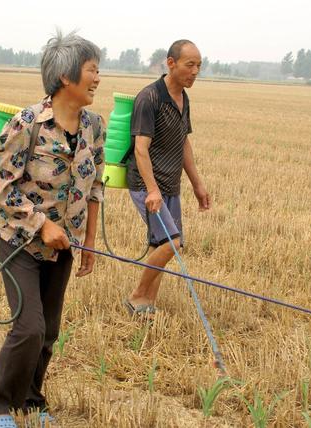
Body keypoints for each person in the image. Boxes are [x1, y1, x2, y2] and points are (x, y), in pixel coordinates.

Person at [0, 30, 104, 428]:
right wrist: (42, 224)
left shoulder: (94, 126)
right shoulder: (28, 123)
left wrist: (88, 243)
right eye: (92, 69)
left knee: (49, 331)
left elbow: (95, 187)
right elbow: (0, 187)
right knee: (30, 326)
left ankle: (32, 402)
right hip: (20, 243)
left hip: (65, 246)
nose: (98, 78)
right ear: (66, 77)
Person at [124, 40, 210, 315]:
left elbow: (183, 142)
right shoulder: (149, 97)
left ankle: (148, 302)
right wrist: (152, 190)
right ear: (170, 63)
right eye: (190, 65)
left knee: (159, 244)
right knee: (172, 242)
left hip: (170, 184)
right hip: (146, 183)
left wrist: (197, 184)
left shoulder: (184, 98)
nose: (195, 71)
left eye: (199, 65)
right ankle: (138, 296)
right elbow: (140, 149)